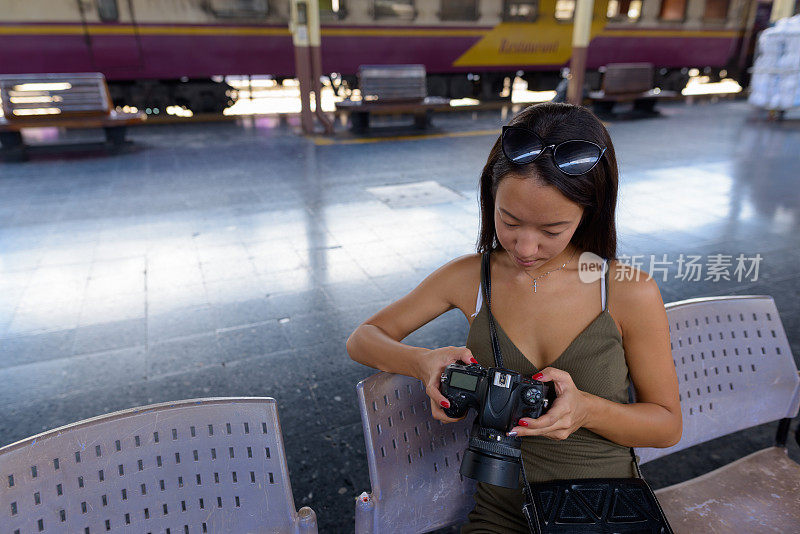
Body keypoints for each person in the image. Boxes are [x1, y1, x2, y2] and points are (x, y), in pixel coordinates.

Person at [346, 102, 681, 532]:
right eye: (509, 221)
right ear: (490, 198)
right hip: (499, 516)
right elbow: (363, 337)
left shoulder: (626, 290)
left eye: (551, 231)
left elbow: (667, 425)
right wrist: (422, 363)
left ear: (589, 213)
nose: (524, 248)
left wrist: (586, 410)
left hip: (600, 508)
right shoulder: (471, 277)